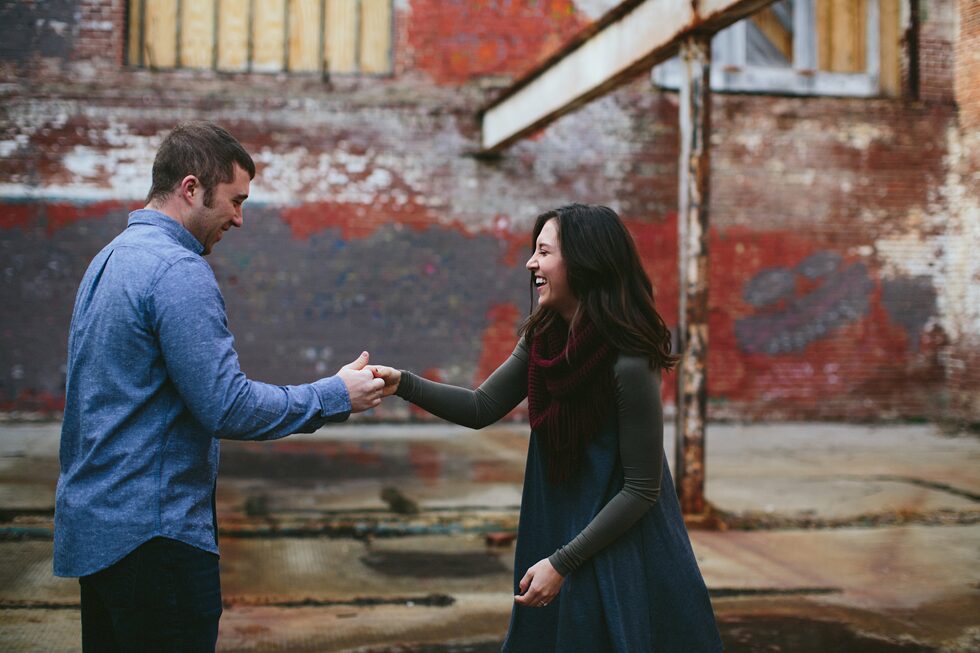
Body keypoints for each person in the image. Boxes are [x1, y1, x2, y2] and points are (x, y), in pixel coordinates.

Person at [54, 121, 386, 651]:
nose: (240, 217)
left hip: (99, 534)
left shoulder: (109, 260)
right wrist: (334, 394)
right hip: (154, 540)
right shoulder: (177, 270)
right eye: (234, 200)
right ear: (190, 188)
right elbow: (227, 407)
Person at [373, 204, 723, 652]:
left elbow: (641, 488)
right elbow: (482, 406)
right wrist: (403, 383)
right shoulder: (543, 337)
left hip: (622, 546)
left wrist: (562, 563)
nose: (530, 263)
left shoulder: (629, 359)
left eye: (543, 251)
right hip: (560, 524)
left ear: (583, 261)